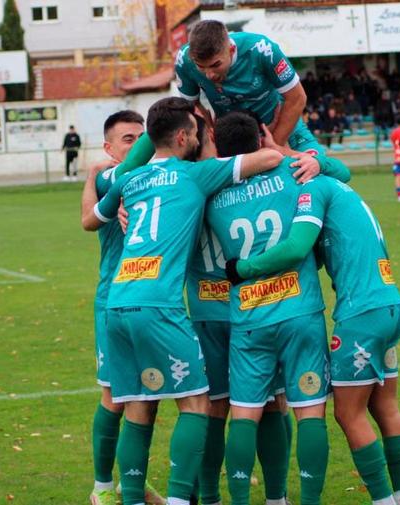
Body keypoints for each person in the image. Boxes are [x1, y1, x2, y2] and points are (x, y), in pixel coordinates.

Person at [82, 97, 284, 505]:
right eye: (193, 131)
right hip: (161, 304)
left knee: (138, 405)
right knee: (196, 404)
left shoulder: (128, 179)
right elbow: (262, 160)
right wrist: (281, 147)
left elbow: (90, 221)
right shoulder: (195, 175)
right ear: (182, 135)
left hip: (118, 302)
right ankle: (179, 500)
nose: (197, 137)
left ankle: (129, 497)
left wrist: (102, 187)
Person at [228, 174, 400, 505]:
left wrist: (242, 268)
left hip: (361, 316)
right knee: (385, 405)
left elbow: (297, 247)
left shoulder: (313, 188)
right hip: (388, 303)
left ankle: (385, 501)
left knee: (348, 414)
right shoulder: (341, 187)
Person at [205, 112, 339, 505]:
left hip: (248, 318)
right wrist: (290, 151)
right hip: (300, 311)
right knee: (309, 411)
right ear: (261, 137)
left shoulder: (212, 193)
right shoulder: (291, 172)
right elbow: (339, 176)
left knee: (245, 414)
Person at [81, 111, 167, 505]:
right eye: (128, 139)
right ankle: (101, 487)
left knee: (147, 397)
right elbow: (88, 218)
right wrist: (90, 177)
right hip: (113, 303)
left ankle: (130, 483)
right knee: (115, 397)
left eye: (142, 138)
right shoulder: (109, 178)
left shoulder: (161, 178)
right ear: (109, 149)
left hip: (151, 302)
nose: (138, 146)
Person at [175, 20, 324, 160]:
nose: (209, 75)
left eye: (215, 65)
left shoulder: (262, 49)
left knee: (323, 169)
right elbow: (190, 107)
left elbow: (297, 98)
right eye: (201, 67)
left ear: (231, 50)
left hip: (281, 126)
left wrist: (273, 145)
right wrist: (211, 133)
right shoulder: (184, 60)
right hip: (233, 139)